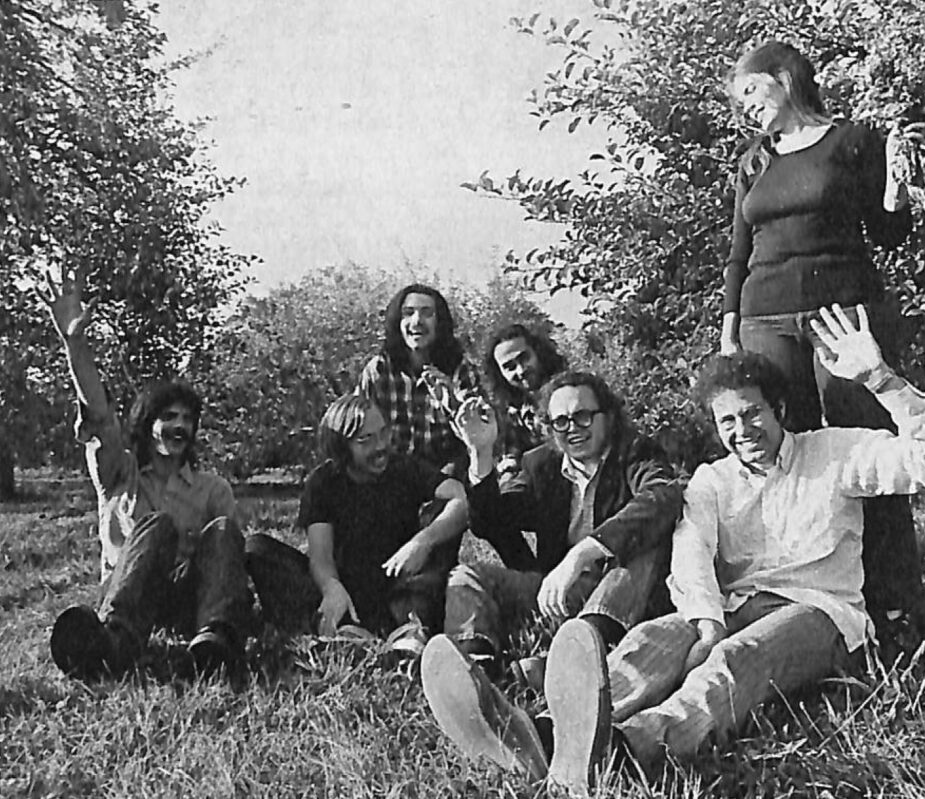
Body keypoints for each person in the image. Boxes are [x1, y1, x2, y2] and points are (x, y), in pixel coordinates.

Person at [421, 305, 925, 791]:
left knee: (734, 661)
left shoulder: (836, 454)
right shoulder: (713, 478)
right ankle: (539, 733)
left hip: (820, 614)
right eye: (727, 421)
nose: (742, 429)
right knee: (653, 639)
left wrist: (880, 379)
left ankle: (625, 750)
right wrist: (705, 623)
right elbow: (691, 550)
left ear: (779, 408)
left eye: (753, 412)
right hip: (729, 606)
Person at [719, 40, 920, 624]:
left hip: (842, 317)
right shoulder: (753, 160)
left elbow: (888, 232)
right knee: (788, 463)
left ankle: (892, 602)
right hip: (764, 321)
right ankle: (809, 598)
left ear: (784, 78)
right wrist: (730, 330)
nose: (745, 108)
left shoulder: (855, 141)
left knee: (868, 449)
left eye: (751, 91)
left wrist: (896, 193)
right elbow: (739, 253)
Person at [420, 371, 682, 774]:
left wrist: (583, 553)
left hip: (623, 594)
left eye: (582, 417)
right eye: (560, 421)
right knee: (467, 576)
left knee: (644, 546)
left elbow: (662, 498)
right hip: (559, 593)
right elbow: (493, 521)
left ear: (607, 417)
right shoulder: (541, 463)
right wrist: (481, 455)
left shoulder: (636, 453)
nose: (572, 429)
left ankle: (581, 654)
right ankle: (480, 680)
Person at [41, 270, 251, 681]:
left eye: (187, 420)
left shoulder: (212, 488)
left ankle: (216, 643)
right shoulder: (120, 472)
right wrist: (75, 345)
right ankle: (113, 643)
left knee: (226, 528)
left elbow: (228, 565)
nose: (179, 426)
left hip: (187, 604)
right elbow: (98, 414)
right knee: (158, 525)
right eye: (168, 416)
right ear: (147, 423)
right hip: (132, 596)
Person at [244, 393, 469, 640]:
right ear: (342, 446)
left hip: (401, 589)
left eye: (383, 433)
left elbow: (458, 497)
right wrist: (331, 587)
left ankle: (410, 632)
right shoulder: (323, 483)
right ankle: (334, 631)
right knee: (257, 548)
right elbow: (321, 556)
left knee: (445, 516)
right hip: (346, 593)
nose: (381, 446)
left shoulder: (403, 468)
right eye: (366, 440)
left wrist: (422, 542)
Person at [357, 284, 479, 476]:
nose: (417, 321)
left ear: (440, 323)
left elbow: (477, 439)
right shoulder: (378, 370)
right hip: (389, 473)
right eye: (408, 313)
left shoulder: (459, 370)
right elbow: (359, 432)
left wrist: (453, 403)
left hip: (445, 471)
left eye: (427, 313)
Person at [483, 323, 567, 480]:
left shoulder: (569, 389)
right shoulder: (513, 411)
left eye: (524, 358)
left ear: (538, 352)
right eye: (510, 367)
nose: (520, 370)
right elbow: (512, 452)